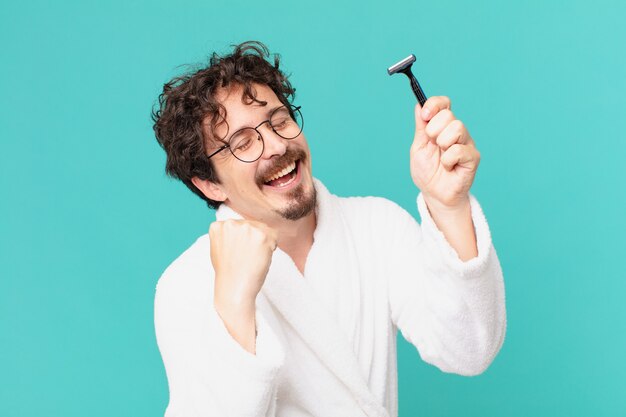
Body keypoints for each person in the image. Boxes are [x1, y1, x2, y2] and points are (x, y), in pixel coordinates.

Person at [151, 41, 506, 417]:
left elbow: (470, 350)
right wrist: (235, 306)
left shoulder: (375, 227)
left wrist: (448, 206)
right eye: (243, 143)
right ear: (210, 184)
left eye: (279, 121)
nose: (276, 145)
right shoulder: (187, 285)